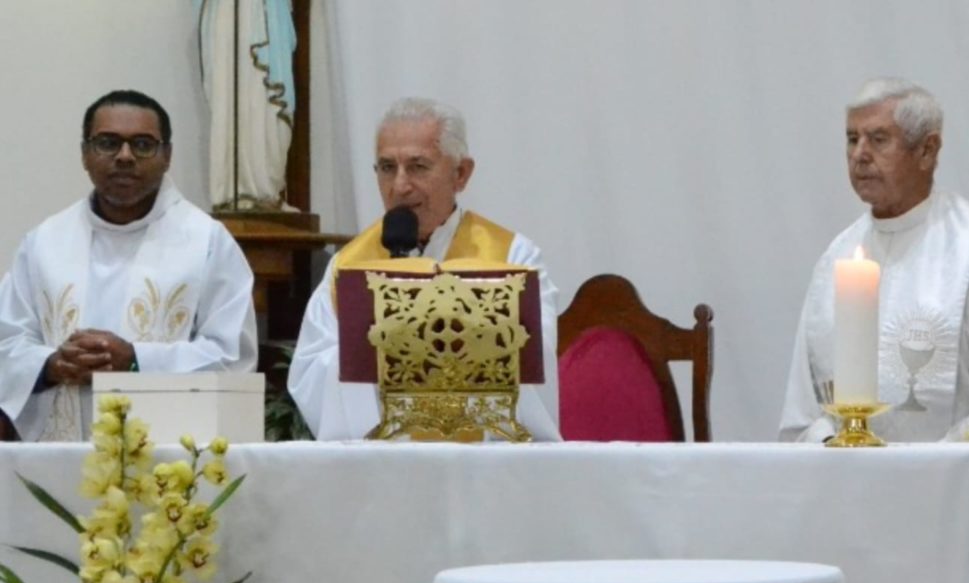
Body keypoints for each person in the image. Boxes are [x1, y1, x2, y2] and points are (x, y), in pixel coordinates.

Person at [779, 78, 969, 443]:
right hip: (848, 483)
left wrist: (921, 472)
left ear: (927, 151)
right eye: (852, 139)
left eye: (878, 139)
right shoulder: (837, 258)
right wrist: (832, 446)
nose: (859, 155)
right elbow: (805, 408)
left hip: (949, 486)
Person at [288, 97, 560, 440]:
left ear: (460, 173)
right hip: (385, 463)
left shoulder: (513, 257)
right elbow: (311, 369)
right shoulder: (348, 267)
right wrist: (381, 348)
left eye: (418, 167)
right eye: (387, 168)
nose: (400, 186)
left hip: (482, 460)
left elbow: (536, 357)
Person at [0, 90, 258, 442]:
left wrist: (137, 361)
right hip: (55, 458)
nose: (124, 156)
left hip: (166, 465)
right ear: (85, 154)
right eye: (108, 143)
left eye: (142, 144)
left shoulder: (208, 242)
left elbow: (234, 359)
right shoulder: (43, 243)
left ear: (167, 156)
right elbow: (8, 340)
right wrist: (50, 365)